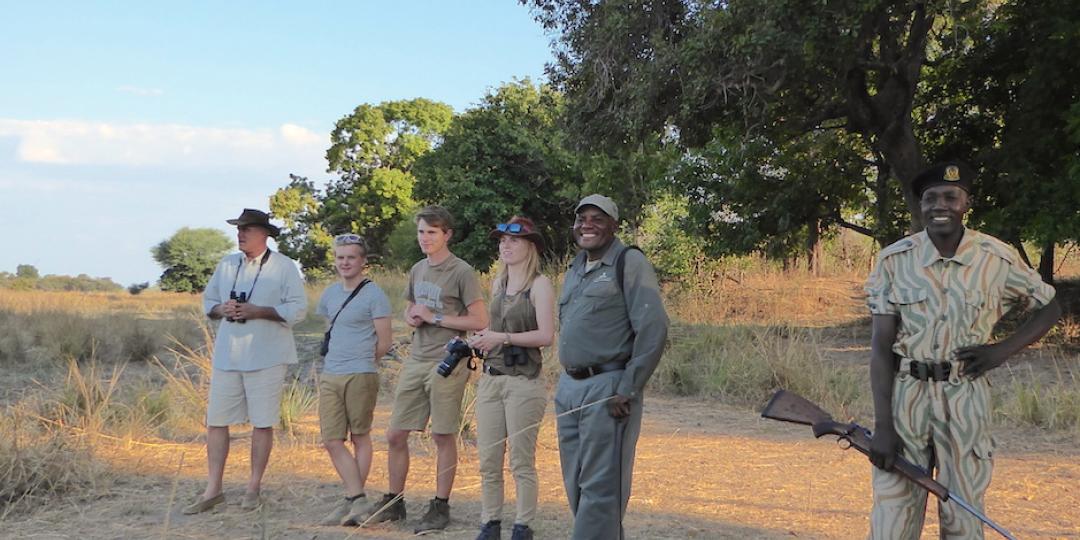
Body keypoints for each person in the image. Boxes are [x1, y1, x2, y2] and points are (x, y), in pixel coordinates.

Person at [865, 161, 1061, 539]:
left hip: (965, 396)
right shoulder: (895, 260)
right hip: (907, 396)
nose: (940, 205)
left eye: (951, 196)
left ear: (966, 203)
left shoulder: (996, 258)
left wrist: (1000, 351)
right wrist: (882, 426)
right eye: (930, 198)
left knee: (962, 516)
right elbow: (879, 347)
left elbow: (1049, 306)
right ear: (920, 205)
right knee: (892, 519)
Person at [365, 205, 488, 533]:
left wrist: (435, 318)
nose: (425, 238)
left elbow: (479, 321)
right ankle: (394, 501)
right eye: (421, 232)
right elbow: (411, 306)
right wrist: (411, 316)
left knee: (442, 434)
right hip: (416, 358)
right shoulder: (418, 269)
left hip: (449, 360)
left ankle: (440, 506)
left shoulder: (461, 271)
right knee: (395, 433)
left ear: (447, 234)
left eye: (432, 232)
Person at [555, 194, 669, 540]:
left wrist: (629, 386)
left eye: (597, 218)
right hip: (569, 388)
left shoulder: (628, 262)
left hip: (608, 389)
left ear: (614, 226)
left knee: (601, 484)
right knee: (575, 479)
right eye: (581, 218)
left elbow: (654, 328)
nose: (586, 225)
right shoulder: (576, 267)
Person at [184, 208, 307, 514]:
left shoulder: (283, 266)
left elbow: (298, 309)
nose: (240, 234)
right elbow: (208, 303)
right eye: (239, 229)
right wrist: (221, 310)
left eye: (247, 229)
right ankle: (213, 488)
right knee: (216, 421)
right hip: (229, 354)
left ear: (265, 234)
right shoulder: (227, 264)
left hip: (267, 355)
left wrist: (259, 311)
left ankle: (253, 487)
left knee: (262, 423)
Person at [469, 217, 555, 540]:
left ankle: (522, 526)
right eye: (502, 240)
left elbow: (546, 335)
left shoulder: (540, 285)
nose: (505, 245)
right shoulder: (496, 283)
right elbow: (492, 331)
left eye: (513, 241)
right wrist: (480, 340)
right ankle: (490, 523)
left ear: (530, 246)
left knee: (521, 461)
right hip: (492, 379)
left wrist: (501, 337)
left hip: (524, 381)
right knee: (488, 459)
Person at [315, 234, 392, 526]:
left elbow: (384, 341)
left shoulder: (375, 295)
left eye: (351, 257)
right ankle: (356, 499)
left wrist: (362, 361)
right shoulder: (329, 294)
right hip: (331, 372)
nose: (345, 262)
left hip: (361, 372)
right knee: (332, 439)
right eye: (340, 257)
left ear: (363, 262)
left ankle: (352, 502)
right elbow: (330, 330)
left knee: (360, 436)